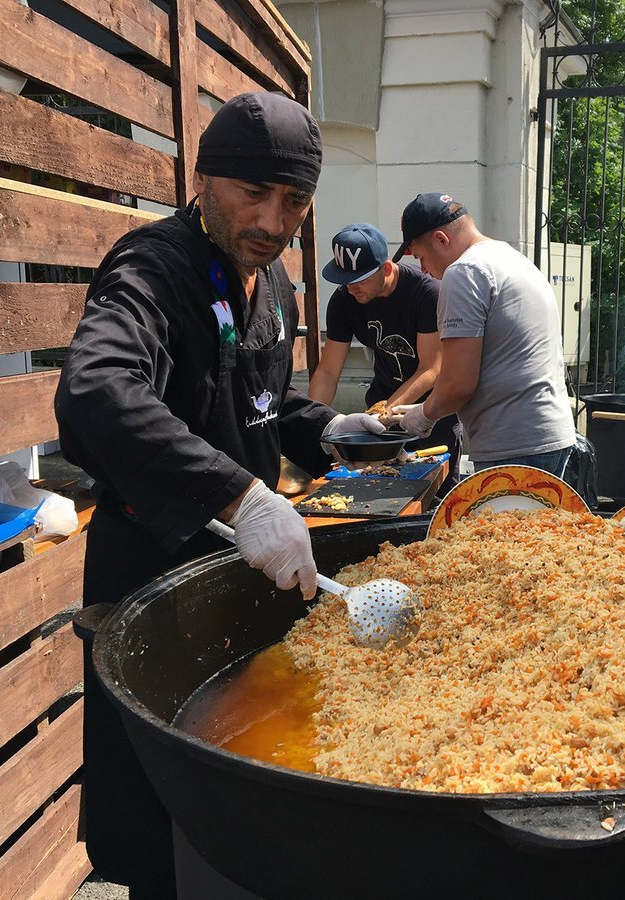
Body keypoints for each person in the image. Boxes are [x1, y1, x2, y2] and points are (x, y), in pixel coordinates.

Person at [54, 92, 383, 898]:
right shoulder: (151, 268)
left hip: (249, 566)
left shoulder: (272, 285)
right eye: (253, 193)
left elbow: (252, 405)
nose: (273, 220)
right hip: (155, 572)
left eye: (294, 202)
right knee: (166, 820)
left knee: (249, 802)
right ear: (203, 179)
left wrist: (334, 430)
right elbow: (97, 391)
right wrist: (240, 497)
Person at [389, 192, 576, 476]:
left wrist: (422, 415)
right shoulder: (510, 257)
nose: (424, 271)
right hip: (548, 433)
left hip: (513, 446)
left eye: (421, 258)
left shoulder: (464, 272)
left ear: (442, 239)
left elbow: (457, 385)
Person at [308, 222, 463, 489]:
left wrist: (383, 413)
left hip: (430, 414)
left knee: (436, 500)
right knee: (379, 497)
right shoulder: (344, 300)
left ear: (387, 268)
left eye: (359, 280)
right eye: (344, 281)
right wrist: (312, 425)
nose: (351, 288)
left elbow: (430, 369)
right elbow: (328, 372)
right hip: (384, 404)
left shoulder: (425, 293)